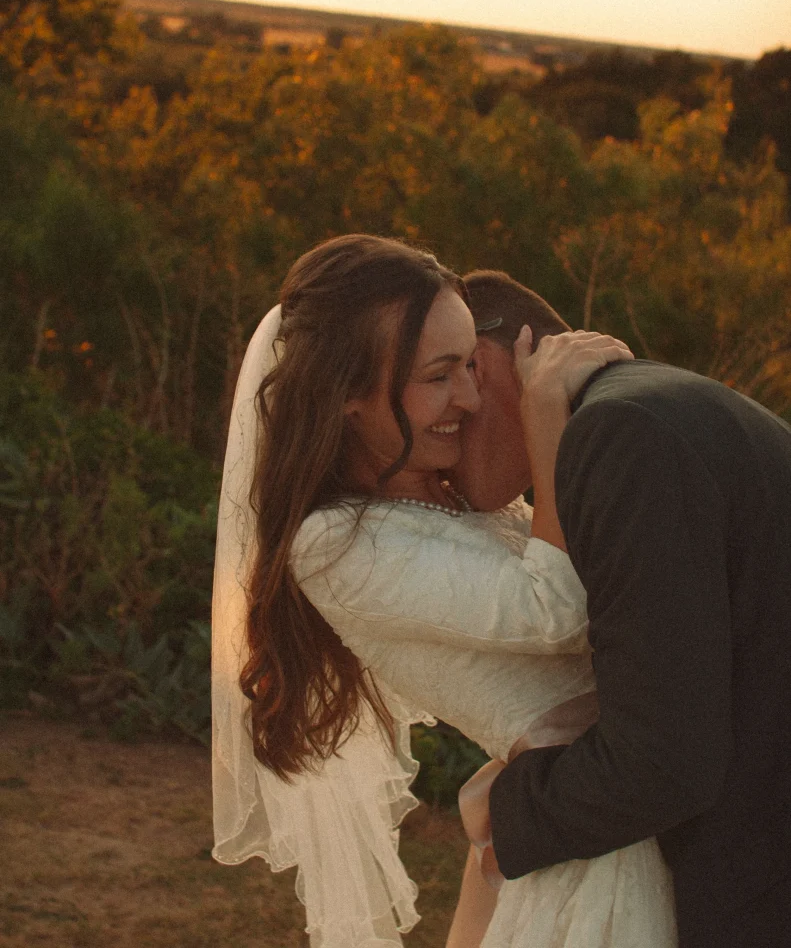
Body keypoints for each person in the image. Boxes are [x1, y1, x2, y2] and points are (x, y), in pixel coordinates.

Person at [211, 234, 676, 948]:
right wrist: (546, 424)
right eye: (438, 376)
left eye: (469, 366)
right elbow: (552, 612)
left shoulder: (464, 498)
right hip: (596, 852)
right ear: (348, 397)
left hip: (613, 799)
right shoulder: (334, 545)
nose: (469, 396)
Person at [454, 268, 791, 948]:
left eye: (444, 381)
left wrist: (500, 809)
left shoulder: (620, 436)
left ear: (487, 360)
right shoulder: (647, 408)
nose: (441, 427)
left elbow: (663, 762)